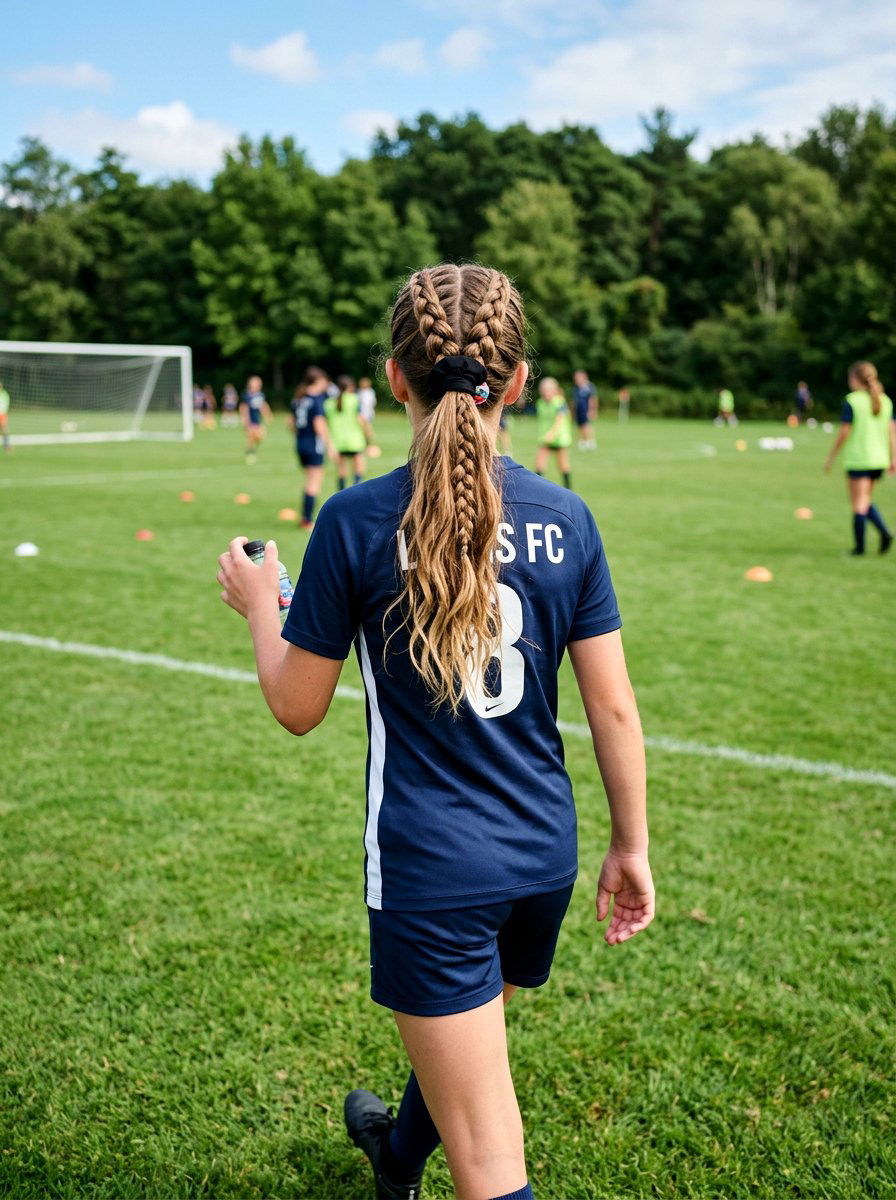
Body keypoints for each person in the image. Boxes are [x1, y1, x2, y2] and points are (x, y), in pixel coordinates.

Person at [216, 263, 654, 1200]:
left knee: (492, 1162)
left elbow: (297, 706)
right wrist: (632, 845)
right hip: (542, 854)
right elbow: (614, 707)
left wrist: (262, 603)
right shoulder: (566, 518)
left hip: (433, 866)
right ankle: (393, 1153)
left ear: (393, 378)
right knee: (468, 1039)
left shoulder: (357, 518)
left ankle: (413, 1157)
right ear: (523, 383)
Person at [824, 360, 895, 555]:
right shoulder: (885, 400)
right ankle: (883, 534)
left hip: (859, 458)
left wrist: (831, 456)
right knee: (865, 500)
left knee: (859, 503)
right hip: (879, 459)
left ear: (855, 379)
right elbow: (892, 432)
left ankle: (861, 548)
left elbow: (844, 432)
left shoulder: (853, 400)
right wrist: (893, 458)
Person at [290, 367, 334, 529]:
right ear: (317, 381)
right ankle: (307, 520)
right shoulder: (316, 399)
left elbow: (291, 423)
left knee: (309, 479)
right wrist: (330, 445)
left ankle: (305, 517)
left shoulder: (298, 398)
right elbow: (319, 424)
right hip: (314, 445)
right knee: (314, 481)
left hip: (301, 443)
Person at [325, 375, 372, 489]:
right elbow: (361, 419)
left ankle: (341, 494)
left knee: (341, 470)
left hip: (337, 440)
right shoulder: (354, 399)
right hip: (354, 439)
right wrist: (369, 434)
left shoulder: (329, 402)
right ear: (350, 386)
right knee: (358, 468)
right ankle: (356, 492)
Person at [534, 377, 573, 488]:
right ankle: (538, 487)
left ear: (554, 390)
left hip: (559, 438)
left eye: (548, 389)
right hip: (545, 437)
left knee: (563, 465)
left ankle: (568, 488)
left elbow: (560, 420)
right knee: (539, 464)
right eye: (544, 389)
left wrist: (552, 433)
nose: (546, 392)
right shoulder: (540, 403)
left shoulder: (559, 402)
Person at [240, 375, 272, 464]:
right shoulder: (247, 395)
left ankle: (249, 449)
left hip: (257, 420)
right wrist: (245, 420)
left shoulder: (260, 395)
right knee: (251, 437)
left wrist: (267, 415)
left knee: (260, 437)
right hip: (250, 420)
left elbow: (263, 406)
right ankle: (250, 455)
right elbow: (243, 408)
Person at [572, 369, 597, 450]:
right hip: (579, 410)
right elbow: (574, 401)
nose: (576, 380)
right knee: (580, 426)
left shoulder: (589, 386)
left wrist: (592, 410)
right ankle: (583, 441)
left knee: (586, 426)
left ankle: (591, 441)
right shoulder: (576, 388)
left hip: (586, 410)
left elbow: (593, 399)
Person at [0, 380, 10, 452]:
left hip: (2, 414)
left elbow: (6, 404)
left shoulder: (4, 394)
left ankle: (6, 446)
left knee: (4, 430)